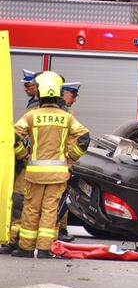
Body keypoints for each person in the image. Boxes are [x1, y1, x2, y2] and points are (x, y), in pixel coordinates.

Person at [11, 71, 90, 259]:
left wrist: (23, 155)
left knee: (31, 209)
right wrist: (71, 157)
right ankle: (45, 249)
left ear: (40, 94)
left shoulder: (32, 115)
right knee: (50, 210)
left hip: (35, 173)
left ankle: (26, 248)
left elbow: (13, 136)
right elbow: (84, 138)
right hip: (57, 174)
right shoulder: (66, 117)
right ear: (57, 95)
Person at [0, 69, 40, 254]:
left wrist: (22, 155)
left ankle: (16, 241)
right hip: (32, 163)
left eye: (28, 85)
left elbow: (19, 136)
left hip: (29, 165)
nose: (25, 89)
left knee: (20, 201)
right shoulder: (34, 105)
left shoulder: (36, 108)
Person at [57, 82, 81, 243]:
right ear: (63, 93)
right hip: (59, 165)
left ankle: (61, 229)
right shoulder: (63, 115)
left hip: (59, 165)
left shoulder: (66, 113)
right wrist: (71, 159)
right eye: (72, 96)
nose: (74, 100)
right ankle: (58, 229)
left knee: (61, 197)